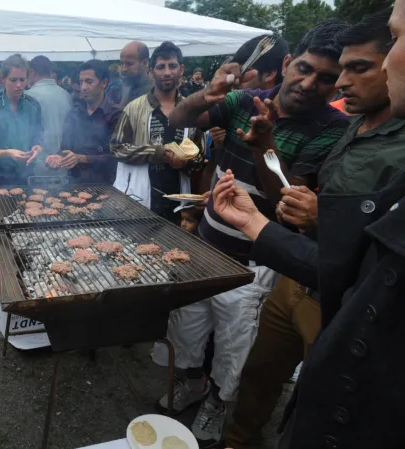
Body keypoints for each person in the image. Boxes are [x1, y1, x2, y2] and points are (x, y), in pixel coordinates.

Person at [163, 21, 350, 445]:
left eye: (326, 79)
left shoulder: (331, 130)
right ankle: (191, 382)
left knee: (234, 346)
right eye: (304, 68)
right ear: (286, 64)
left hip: (256, 262)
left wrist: (264, 150)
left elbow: (290, 209)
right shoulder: (246, 98)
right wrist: (203, 95)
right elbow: (179, 117)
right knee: (188, 329)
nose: (309, 83)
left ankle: (216, 405)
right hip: (205, 244)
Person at [225, 11, 403, 448]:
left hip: (342, 301)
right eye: (341, 69)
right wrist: (267, 151)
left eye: (357, 69)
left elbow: (381, 251)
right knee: (259, 375)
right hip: (295, 280)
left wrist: (321, 218)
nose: (341, 84)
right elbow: (309, 195)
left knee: (319, 402)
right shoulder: (356, 125)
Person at [110, 41, 205, 222]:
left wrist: (185, 161)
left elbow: (200, 157)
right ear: (152, 71)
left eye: (172, 66)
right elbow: (116, 148)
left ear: (181, 69)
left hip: (178, 202)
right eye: (161, 67)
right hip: (138, 200)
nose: (167, 72)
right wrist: (155, 152)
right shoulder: (134, 108)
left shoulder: (192, 110)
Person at [46, 60, 120, 184]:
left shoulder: (115, 114)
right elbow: (65, 149)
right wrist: (58, 157)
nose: (83, 87)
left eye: (89, 82)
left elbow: (116, 157)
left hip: (106, 187)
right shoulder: (74, 113)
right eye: (81, 82)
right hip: (74, 185)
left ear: (104, 83)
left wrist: (82, 158)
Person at [0, 54, 44, 186]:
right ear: (3, 79)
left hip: (26, 176)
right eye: (13, 80)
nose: (19, 85)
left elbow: (39, 138)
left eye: (22, 79)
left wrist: (38, 148)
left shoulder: (34, 106)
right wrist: (8, 153)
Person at [26, 55, 73, 175]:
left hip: (38, 165)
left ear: (32, 72)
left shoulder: (28, 96)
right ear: (50, 72)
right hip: (64, 162)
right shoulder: (66, 95)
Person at [107, 40, 153, 108]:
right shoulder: (116, 88)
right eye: (122, 64)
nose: (123, 69)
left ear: (144, 63)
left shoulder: (155, 91)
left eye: (129, 64)